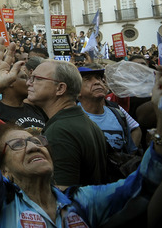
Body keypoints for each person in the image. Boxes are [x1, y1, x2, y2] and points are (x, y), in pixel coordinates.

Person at [0, 40, 162, 226]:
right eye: (18, 144)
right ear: (4, 171)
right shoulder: (3, 204)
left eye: (38, 140)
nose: (34, 146)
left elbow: (144, 183)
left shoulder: (82, 202)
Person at [28, 58, 109, 187]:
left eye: (37, 79)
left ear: (60, 88)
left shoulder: (60, 131)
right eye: (30, 78)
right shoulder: (83, 121)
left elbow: (63, 195)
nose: (29, 83)